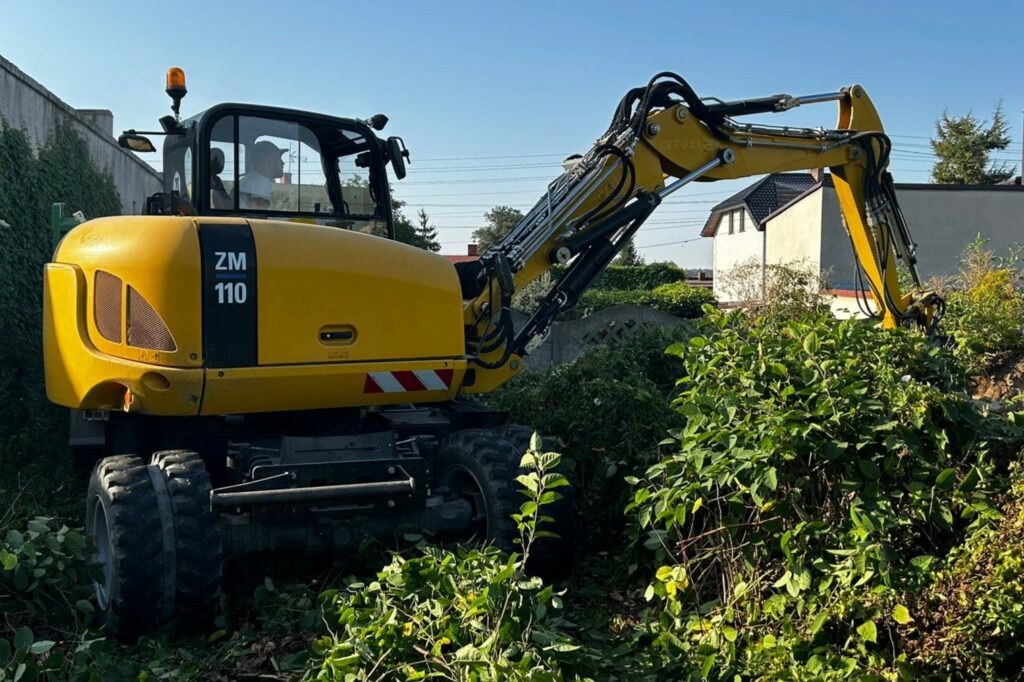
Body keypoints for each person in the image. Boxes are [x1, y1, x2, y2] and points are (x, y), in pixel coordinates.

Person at [238, 140, 286, 209]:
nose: (282, 162)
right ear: (270, 160)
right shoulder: (260, 183)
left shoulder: (251, 181)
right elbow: (259, 216)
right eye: (279, 158)